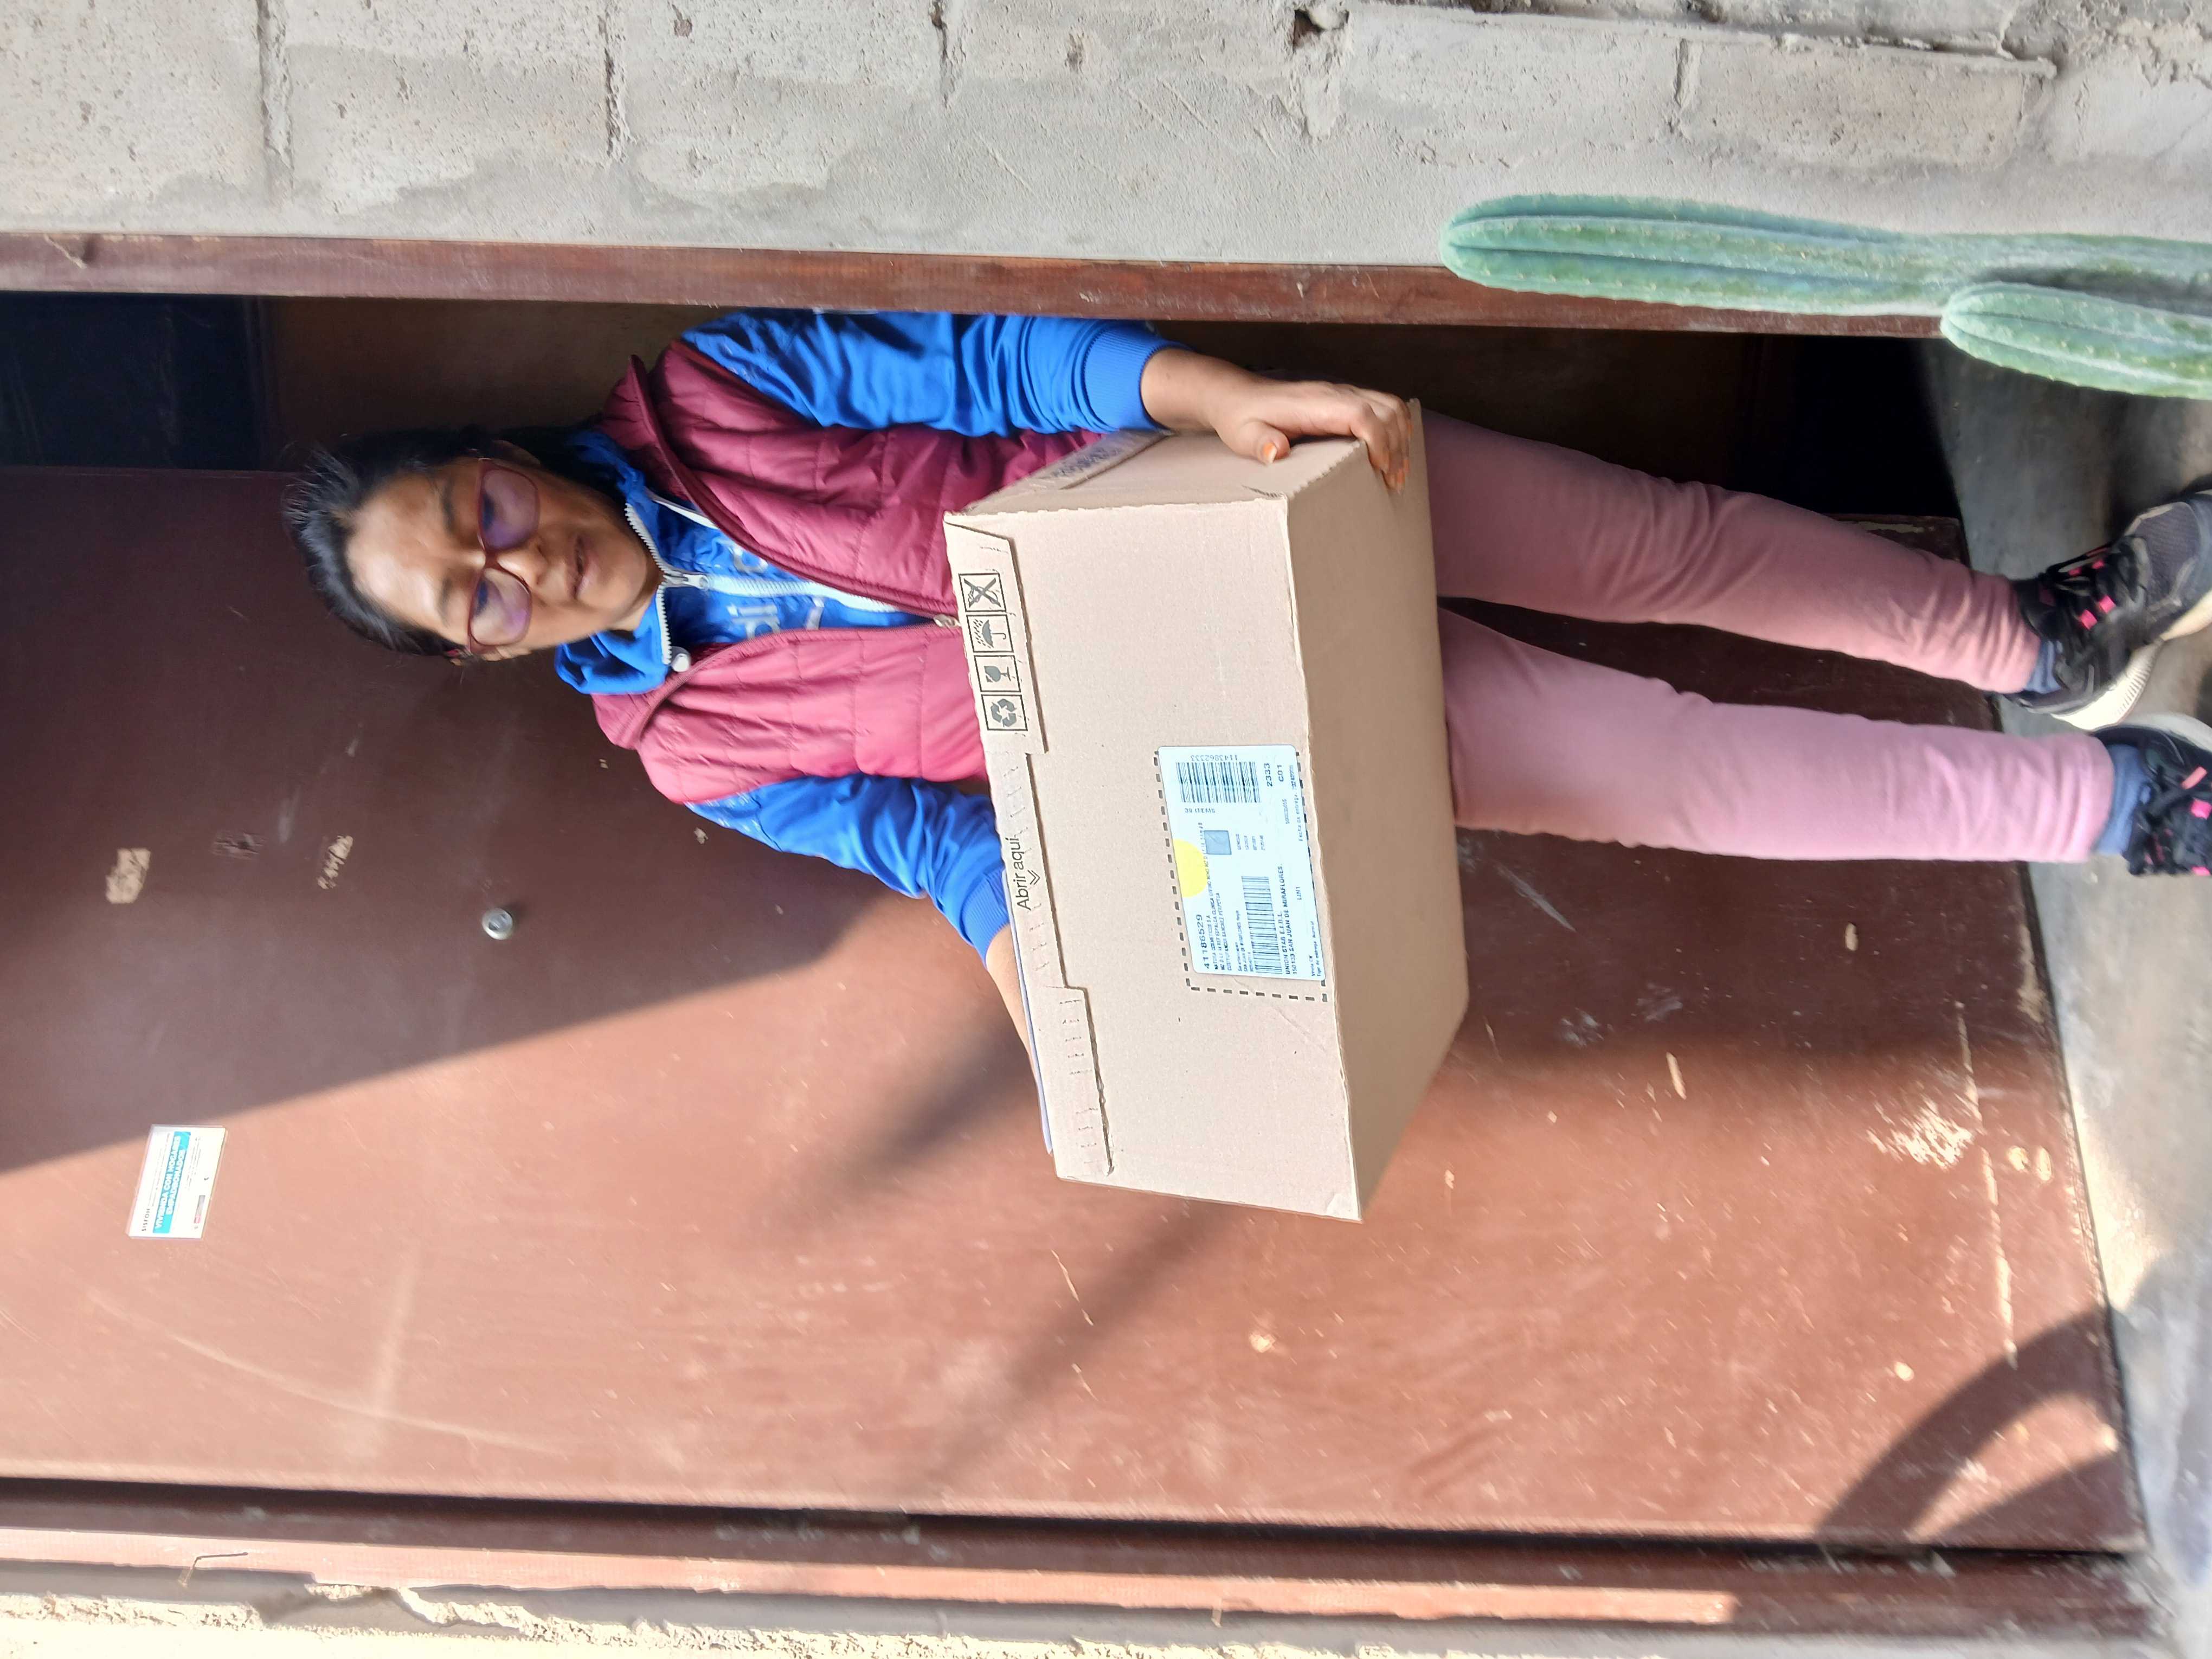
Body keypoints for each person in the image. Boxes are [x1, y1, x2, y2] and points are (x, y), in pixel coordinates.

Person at [285, 310, 2212, 1045]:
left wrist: (1214, 394)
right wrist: (1046, 979)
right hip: (1233, 726)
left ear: (496, 453)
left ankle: (2028, 640)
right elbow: (939, 842)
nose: (513, 565)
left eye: (478, 513)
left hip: (1251, 497)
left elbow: (981, 364)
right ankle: (2116, 804)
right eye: (473, 602)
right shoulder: (691, 751)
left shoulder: (711, 393)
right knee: (1675, 769)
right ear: (482, 653)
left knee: (1663, 543)